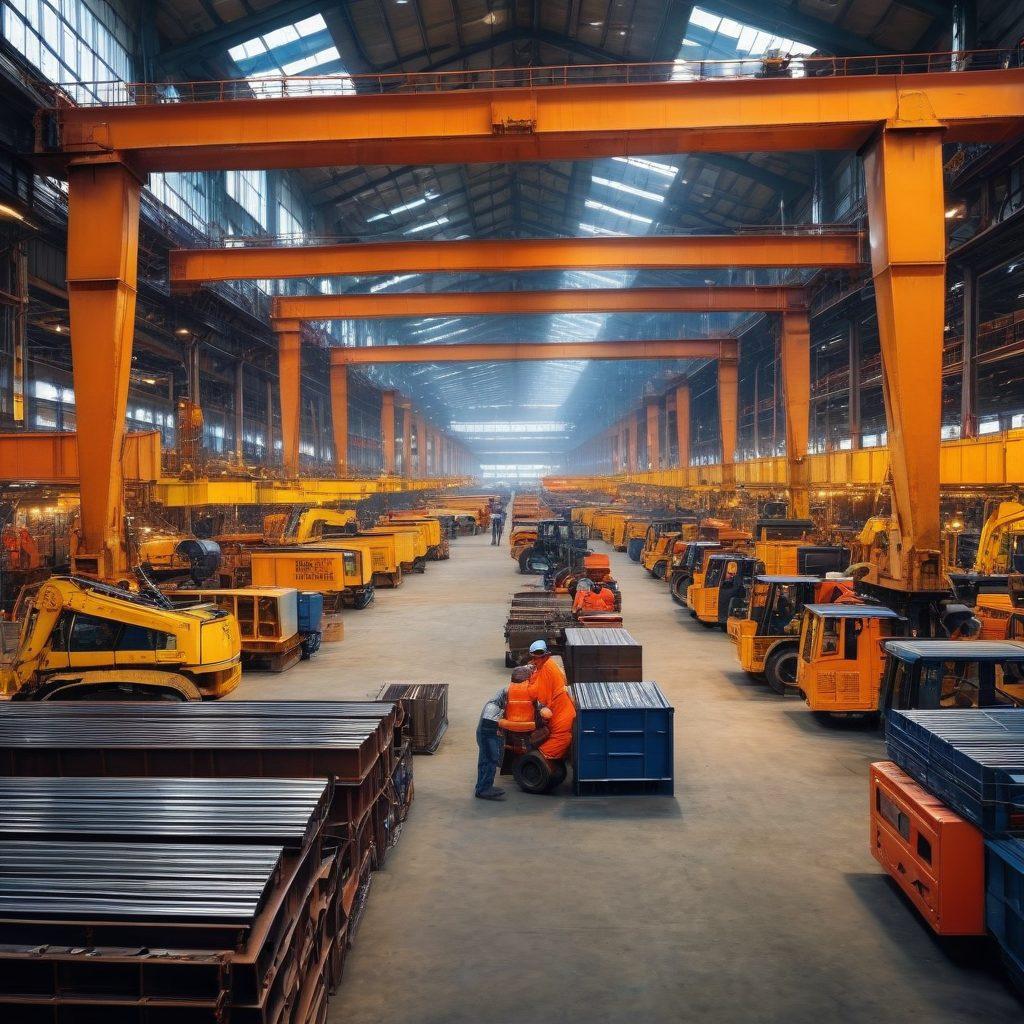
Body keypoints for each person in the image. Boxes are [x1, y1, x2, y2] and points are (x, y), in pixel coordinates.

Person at [475, 665, 536, 801]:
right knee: (490, 757)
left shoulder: (508, 688)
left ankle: (481, 787)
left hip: (488, 722)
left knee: (486, 758)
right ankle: (484, 789)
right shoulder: (514, 691)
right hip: (489, 724)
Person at [524, 640, 576, 764]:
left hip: (561, 720)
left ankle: (538, 763)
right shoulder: (549, 665)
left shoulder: (547, 669)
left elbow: (537, 695)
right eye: (533, 658)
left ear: (545, 656)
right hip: (563, 712)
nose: (534, 661)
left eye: (536, 659)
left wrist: (525, 684)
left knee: (545, 752)